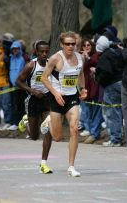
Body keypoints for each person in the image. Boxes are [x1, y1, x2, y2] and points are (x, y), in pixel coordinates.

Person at [41, 31, 87, 177]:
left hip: (72, 97)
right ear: (61, 44)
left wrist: (83, 89)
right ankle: (48, 124)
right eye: (67, 44)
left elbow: (80, 74)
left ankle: (71, 167)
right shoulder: (55, 58)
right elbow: (44, 78)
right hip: (57, 98)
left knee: (74, 129)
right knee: (58, 138)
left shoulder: (80, 58)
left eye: (73, 44)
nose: (70, 46)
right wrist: (55, 93)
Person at [17, 40, 53, 173]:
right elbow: (18, 82)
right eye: (41, 52)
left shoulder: (51, 64)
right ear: (36, 52)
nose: (44, 54)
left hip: (47, 99)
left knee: (48, 129)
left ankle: (44, 163)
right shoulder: (31, 65)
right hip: (32, 100)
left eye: (46, 51)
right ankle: (25, 120)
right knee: (34, 136)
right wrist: (32, 91)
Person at [95, 35, 123, 147]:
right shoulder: (115, 52)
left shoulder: (104, 57)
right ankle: (118, 137)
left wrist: (98, 78)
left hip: (111, 86)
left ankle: (115, 139)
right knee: (118, 111)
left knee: (111, 113)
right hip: (122, 82)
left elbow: (106, 72)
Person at [79, 38, 104, 144]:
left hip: (95, 87)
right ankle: (90, 131)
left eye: (88, 45)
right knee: (86, 112)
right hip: (85, 87)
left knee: (96, 111)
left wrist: (87, 58)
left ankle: (95, 133)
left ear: (92, 46)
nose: (86, 47)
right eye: (84, 45)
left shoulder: (96, 55)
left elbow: (96, 63)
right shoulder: (80, 57)